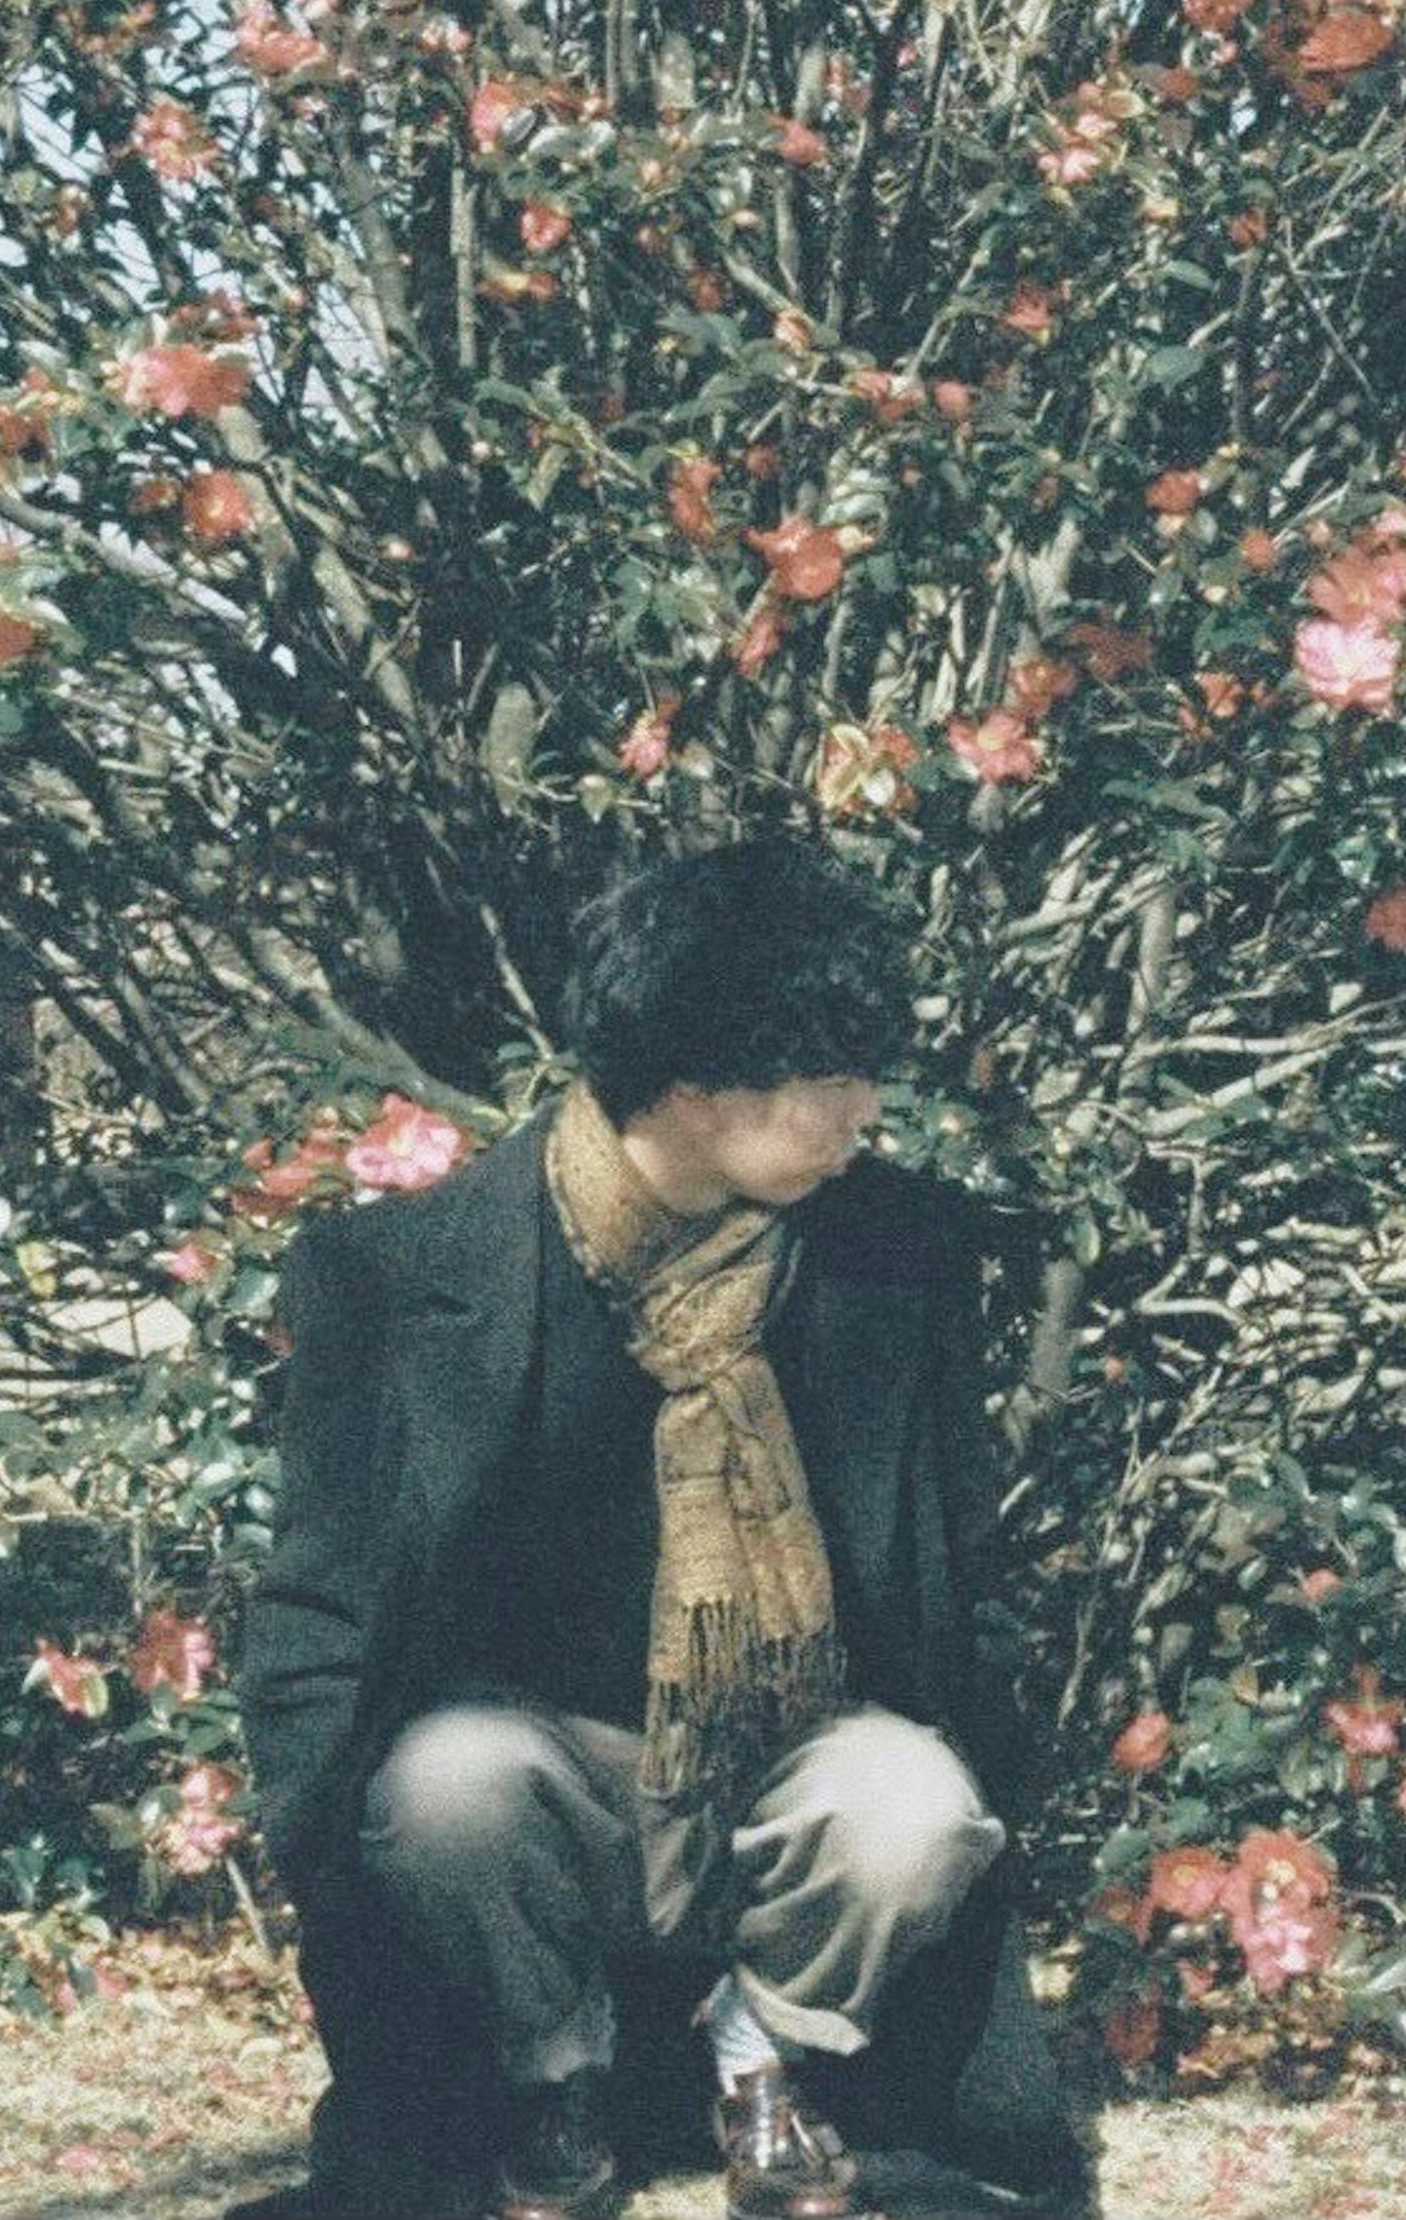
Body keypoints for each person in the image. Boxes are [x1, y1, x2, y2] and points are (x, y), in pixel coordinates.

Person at [225, 835, 1099, 2220]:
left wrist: (987, 1751)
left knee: (916, 1802)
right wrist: (318, 1837)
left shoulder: (893, 1258)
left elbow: (960, 1581)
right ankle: (551, 2077)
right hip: (546, 1794)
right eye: (829, 1079)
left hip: (791, 1768)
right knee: (444, 1779)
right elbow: (317, 1616)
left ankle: (769, 2060)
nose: (866, 1112)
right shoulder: (402, 1276)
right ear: (694, 1083)